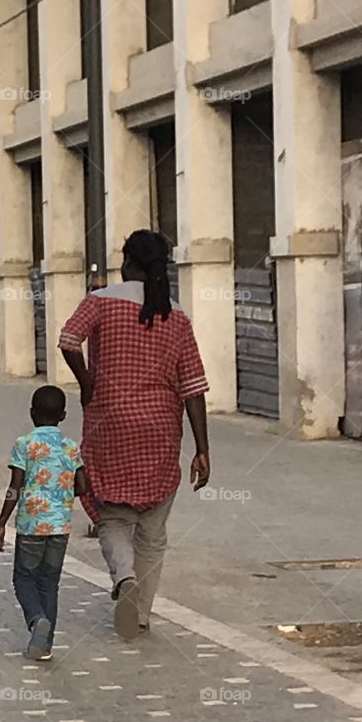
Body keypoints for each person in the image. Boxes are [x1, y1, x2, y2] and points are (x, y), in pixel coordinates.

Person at [59, 229, 211, 640]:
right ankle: (140, 613)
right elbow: (193, 386)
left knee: (113, 516)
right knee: (153, 530)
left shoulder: (100, 302)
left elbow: (68, 340)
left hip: (109, 422)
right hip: (161, 428)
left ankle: (123, 578)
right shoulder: (175, 314)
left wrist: (88, 382)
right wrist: (202, 450)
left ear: (127, 262)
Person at [0, 385, 86, 661]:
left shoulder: (24, 444)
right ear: (64, 415)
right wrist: (64, 489)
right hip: (60, 526)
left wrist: (1, 522)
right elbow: (82, 486)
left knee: (23, 577)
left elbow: (15, 487)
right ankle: (45, 646)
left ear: (32, 413)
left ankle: (36, 620)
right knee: (49, 582)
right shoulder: (71, 447)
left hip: (31, 525)